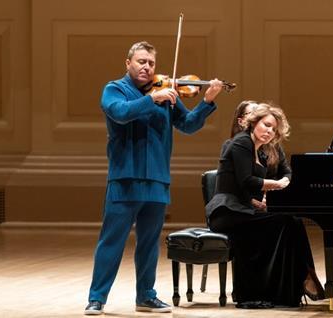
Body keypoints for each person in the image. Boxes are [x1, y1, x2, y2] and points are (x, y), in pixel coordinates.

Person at [84, 41, 223, 315]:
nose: (147, 67)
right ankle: (97, 298)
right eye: (141, 61)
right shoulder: (115, 89)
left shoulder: (165, 92)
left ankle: (146, 296)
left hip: (157, 180)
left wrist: (207, 101)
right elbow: (120, 113)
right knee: (111, 242)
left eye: (151, 63)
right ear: (128, 63)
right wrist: (151, 100)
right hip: (125, 179)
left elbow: (189, 125)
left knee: (149, 244)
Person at [206, 103, 324, 308]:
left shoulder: (259, 150)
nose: (269, 131)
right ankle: (304, 276)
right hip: (226, 213)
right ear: (254, 123)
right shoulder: (241, 142)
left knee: (291, 221)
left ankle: (289, 286)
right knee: (288, 220)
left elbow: (258, 183)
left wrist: (272, 191)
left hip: (242, 210)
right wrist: (277, 185)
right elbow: (246, 181)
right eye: (266, 125)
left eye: (273, 129)